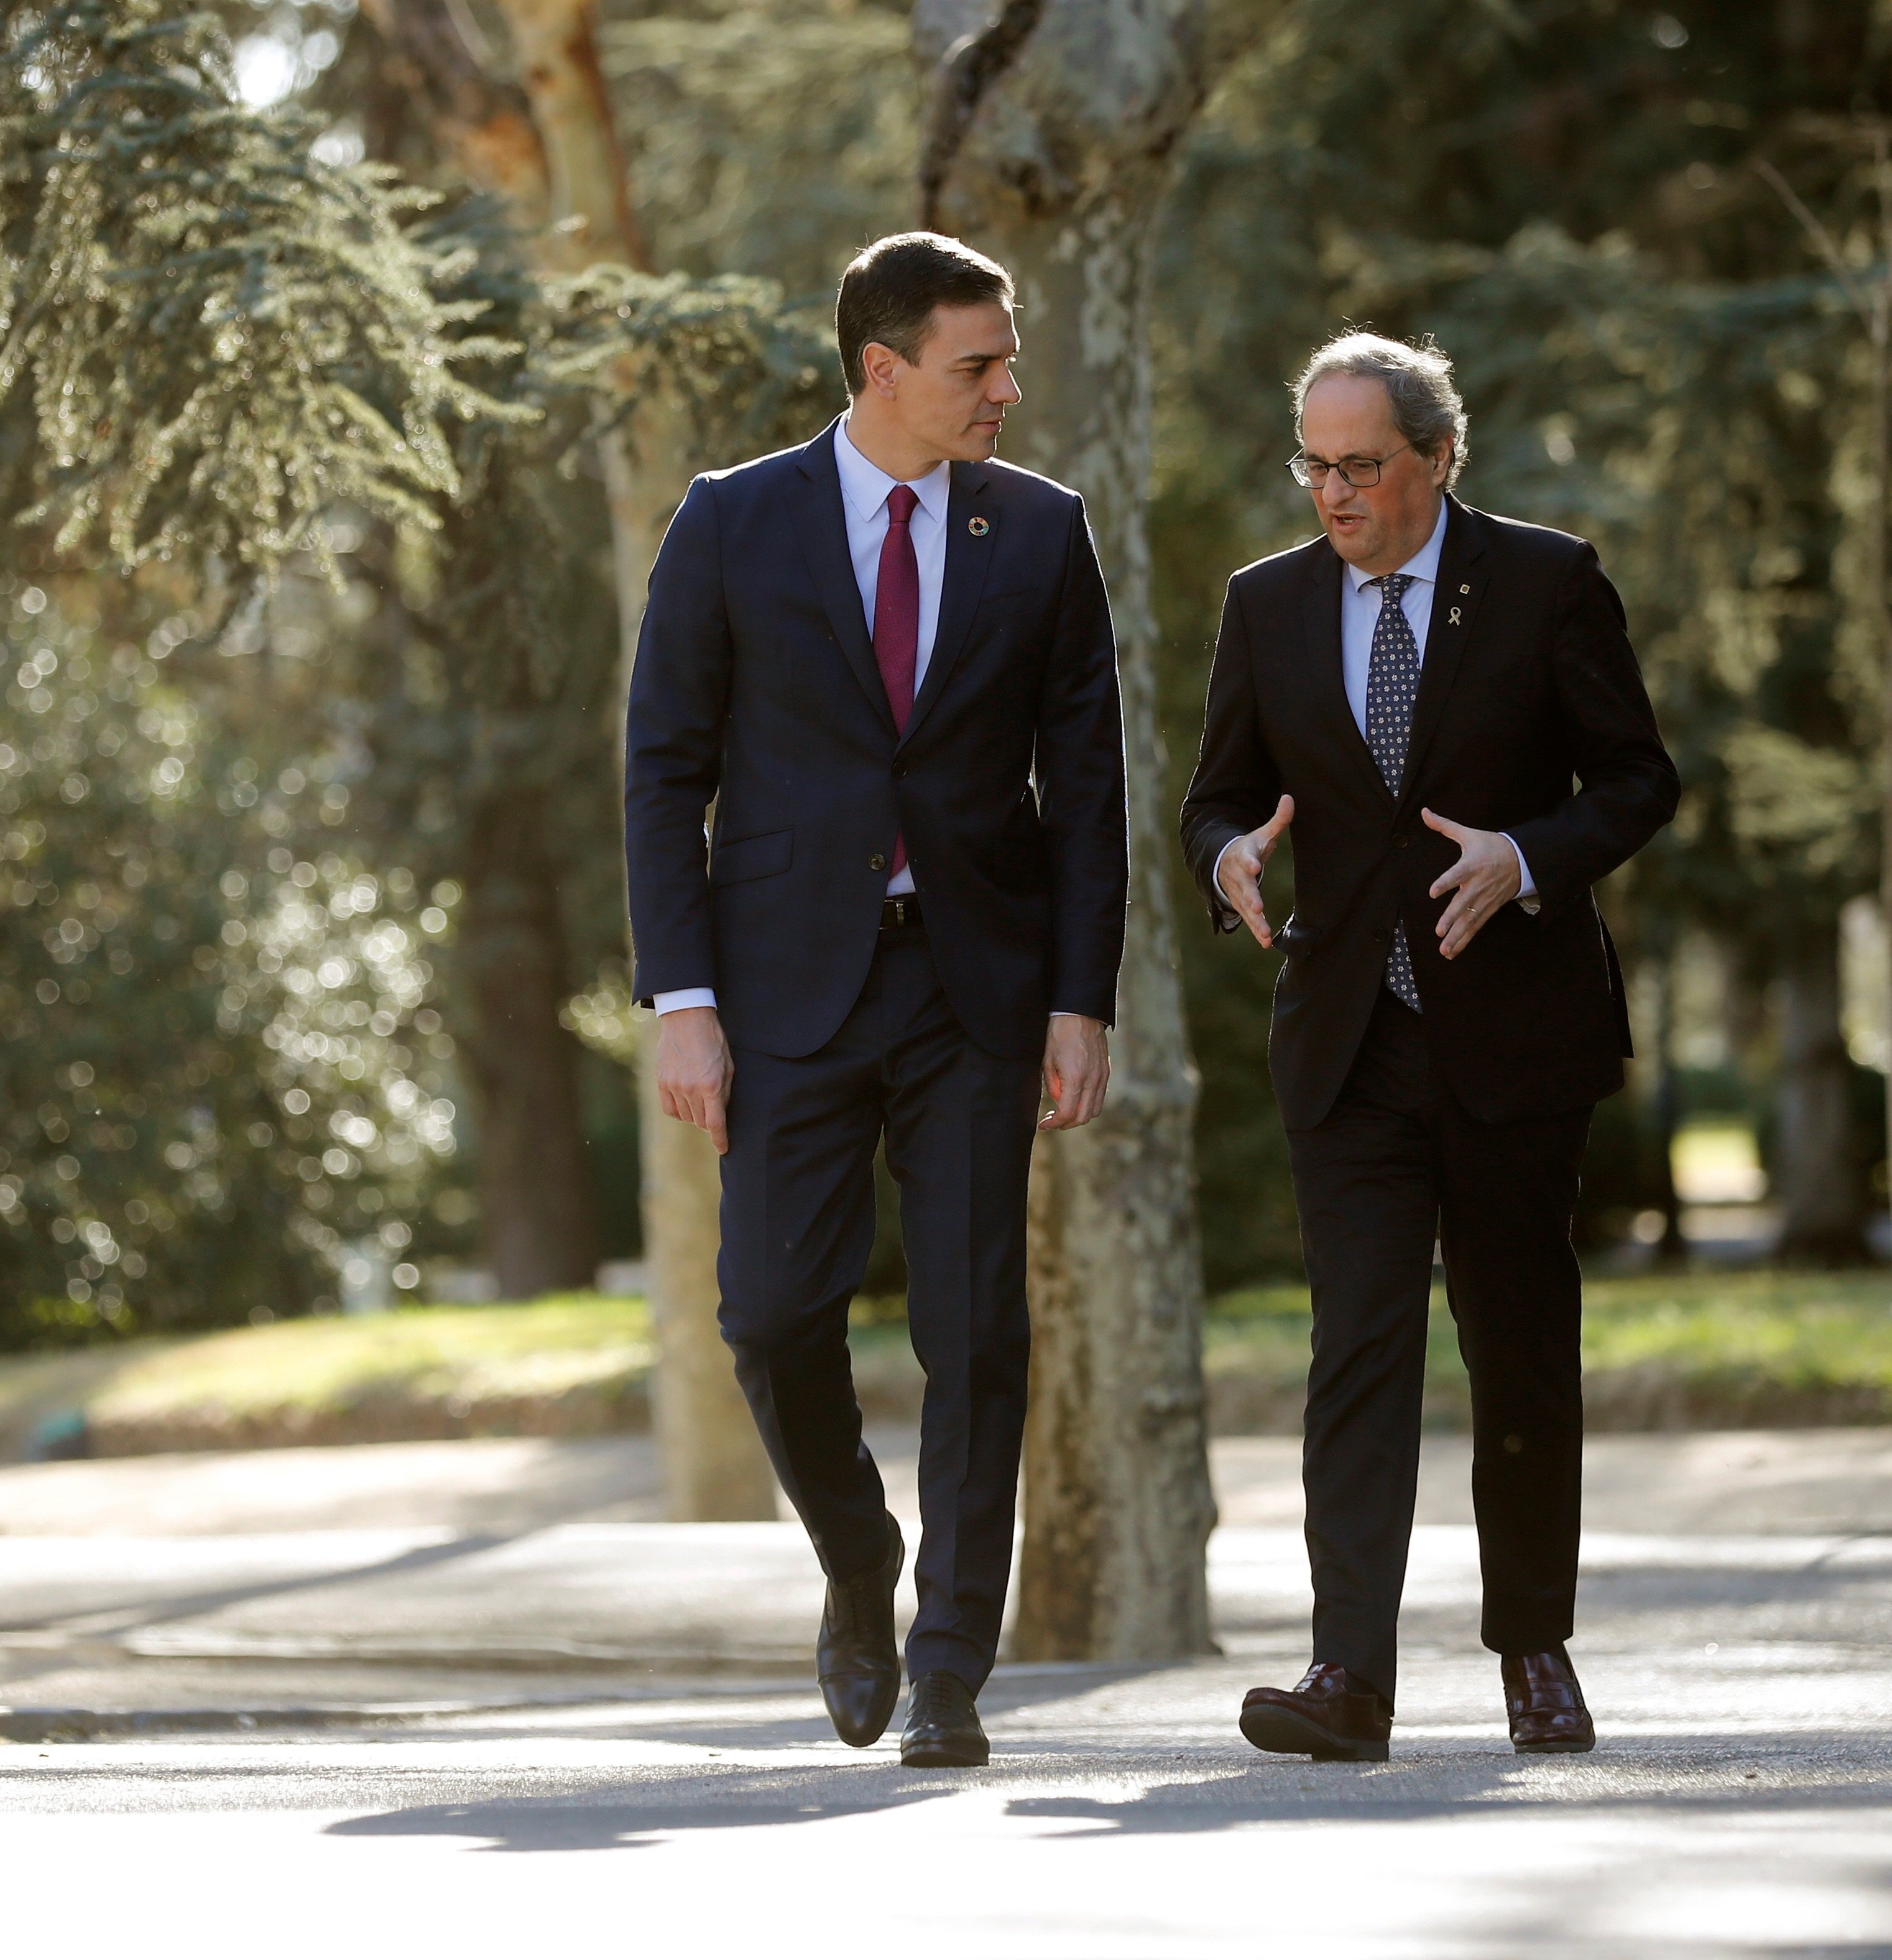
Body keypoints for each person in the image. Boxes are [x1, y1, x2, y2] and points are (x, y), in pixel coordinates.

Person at [624, 233, 1127, 1770]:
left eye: (1008, 357)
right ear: (882, 370)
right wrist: (680, 997)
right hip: (780, 987)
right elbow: (664, 771)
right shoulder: (729, 522)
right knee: (771, 1316)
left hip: (972, 982)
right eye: (979, 363)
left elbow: (1088, 784)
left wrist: (1077, 996)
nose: (1007, 388)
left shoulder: (1040, 531)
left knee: (976, 1331)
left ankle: (951, 1665)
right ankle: (858, 1560)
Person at [1180, 332, 1677, 1763]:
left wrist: (1526, 856)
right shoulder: (1266, 605)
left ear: (1436, 458)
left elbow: (1638, 778)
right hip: (1349, 1040)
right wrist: (1227, 861)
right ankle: (1348, 1673)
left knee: (1517, 1347)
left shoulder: (1542, 580)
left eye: (1361, 467)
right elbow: (1215, 796)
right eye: (1313, 467)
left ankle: (1533, 1649)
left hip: (1513, 1037)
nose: (1332, 496)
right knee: (1357, 1349)